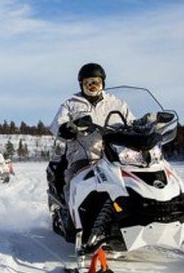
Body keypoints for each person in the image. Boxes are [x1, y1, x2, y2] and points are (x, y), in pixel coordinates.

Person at [50, 62, 134, 199]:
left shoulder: (117, 103)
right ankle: (71, 217)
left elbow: (131, 122)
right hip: (84, 157)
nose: (92, 86)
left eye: (96, 82)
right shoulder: (71, 104)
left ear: (103, 83)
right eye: (88, 83)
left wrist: (144, 125)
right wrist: (65, 129)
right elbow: (57, 124)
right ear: (81, 84)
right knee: (74, 187)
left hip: (116, 157)